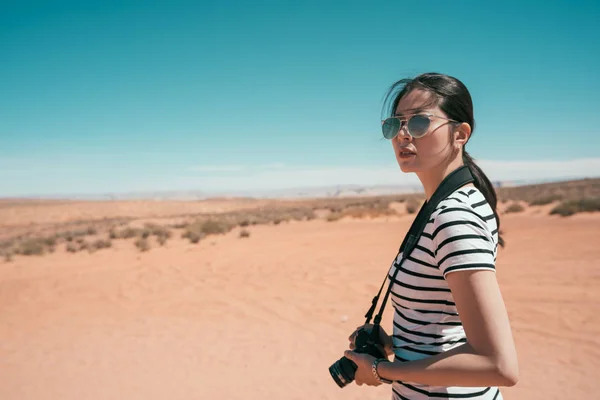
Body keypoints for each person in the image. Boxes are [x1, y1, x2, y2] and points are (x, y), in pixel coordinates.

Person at [344, 73, 519, 399]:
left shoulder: (454, 218)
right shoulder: (442, 206)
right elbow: (449, 327)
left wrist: (383, 371)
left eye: (420, 122)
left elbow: (499, 365)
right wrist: (394, 343)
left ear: (460, 133)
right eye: (395, 125)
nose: (403, 135)